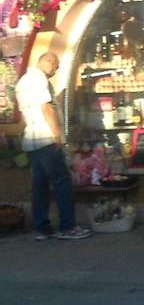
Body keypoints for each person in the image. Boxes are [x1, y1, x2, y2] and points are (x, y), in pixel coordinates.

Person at [18, 52, 90, 241]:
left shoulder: (23, 81)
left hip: (32, 141)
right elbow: (46, 108)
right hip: (46, 138)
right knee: (62, 181)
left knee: (40, 185)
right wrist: (57, 134)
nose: (56, 71)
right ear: (49, 62)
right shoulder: (39, 80)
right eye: (56, 66)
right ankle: (67, 226)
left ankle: (42, 228)